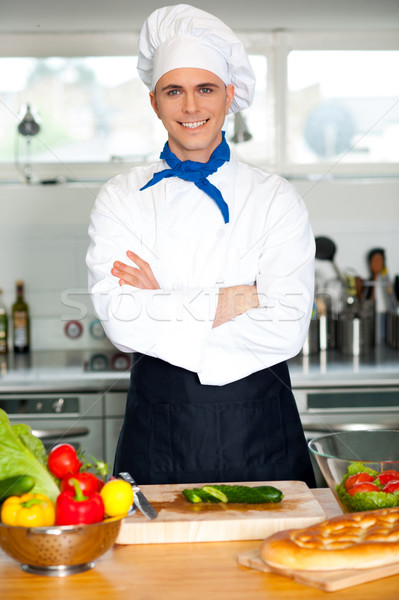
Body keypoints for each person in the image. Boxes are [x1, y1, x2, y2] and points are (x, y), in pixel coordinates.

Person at [86, 4, 316, 487]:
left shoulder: (274, 198)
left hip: (262, 431)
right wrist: (239, 297)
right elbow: (122, 321)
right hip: (158, 436)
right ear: (154, 101)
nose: (191, 108)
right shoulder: (121, 197)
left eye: (205, 89)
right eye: (175, 91)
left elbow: (287, 328)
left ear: (228, 95)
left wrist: (160, 301)